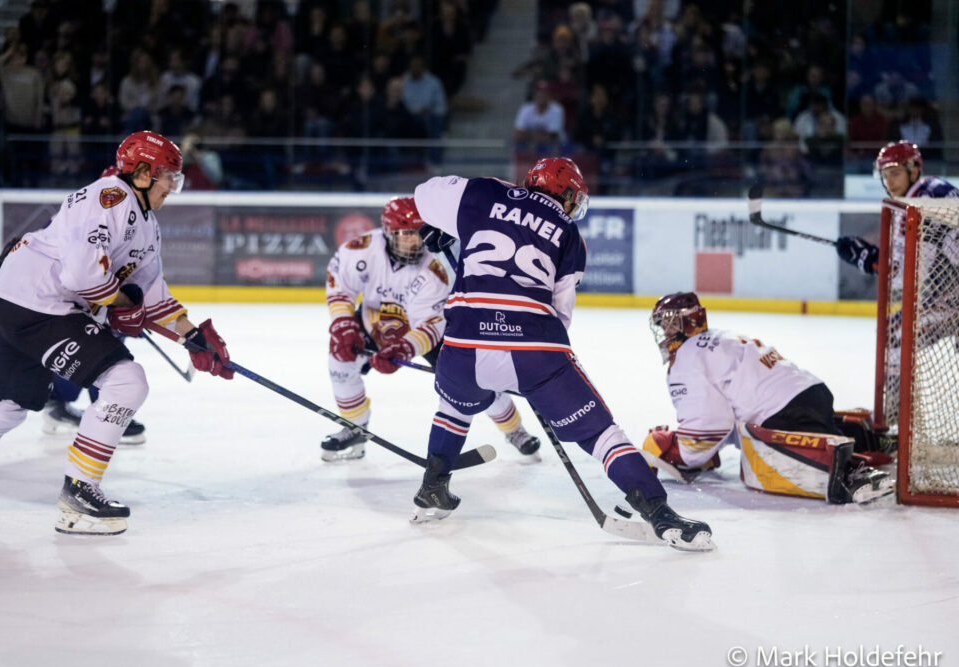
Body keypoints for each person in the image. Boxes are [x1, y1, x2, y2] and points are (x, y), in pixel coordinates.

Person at [0, 131, 234, 535]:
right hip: (42, 307)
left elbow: (151, 293)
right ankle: (79, 490)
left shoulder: (146, 224)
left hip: (16, 302)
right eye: (167, 175)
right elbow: (81, 275)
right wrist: (118, 301)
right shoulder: (109, 196)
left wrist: (192, 336)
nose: (172, 185)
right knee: (127, 381)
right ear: (142, 172)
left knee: (8, 403)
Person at [408, 158, 714, 551]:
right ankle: (660, 513)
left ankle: (433, 485)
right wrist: (532, 376)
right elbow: (560, 316)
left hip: (464, 345)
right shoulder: (570, 235)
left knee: (454, 406)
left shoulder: (483, 191)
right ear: (566, 194)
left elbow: (423, 195)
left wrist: (452, 223)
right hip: (535, 351)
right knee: (599, 433)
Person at [322, 196, 541, 462]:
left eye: (417, 234)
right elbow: (340, 286)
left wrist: (404, 347)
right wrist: (343, 324)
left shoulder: (437, 267)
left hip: (426, 332)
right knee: (340, 360)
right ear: (389, 232)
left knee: (474, 380)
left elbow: (430, 325)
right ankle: (354, 426)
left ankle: (514, 430)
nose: (413, 242)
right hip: (373, 320)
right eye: (405, 235)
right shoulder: (361, 249)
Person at [644, 292, 893, 504]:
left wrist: (681, 451)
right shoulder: (720, 337)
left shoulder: (685, 360)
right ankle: (866, 438)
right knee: (817, 427)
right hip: (812, 393)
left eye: (669, 324)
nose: (665, 333)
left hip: (781, 414)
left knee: (767, 461)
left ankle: (854, 475)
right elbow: (730, 413)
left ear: (687, 323)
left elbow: (712, 423)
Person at [836, 141, 959, 274]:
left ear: (913, 172)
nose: (889, 182)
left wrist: (867, 259)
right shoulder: (934, 186)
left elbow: (906, 273)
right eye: (884, 175)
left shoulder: (919, 205)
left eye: (895, 174)